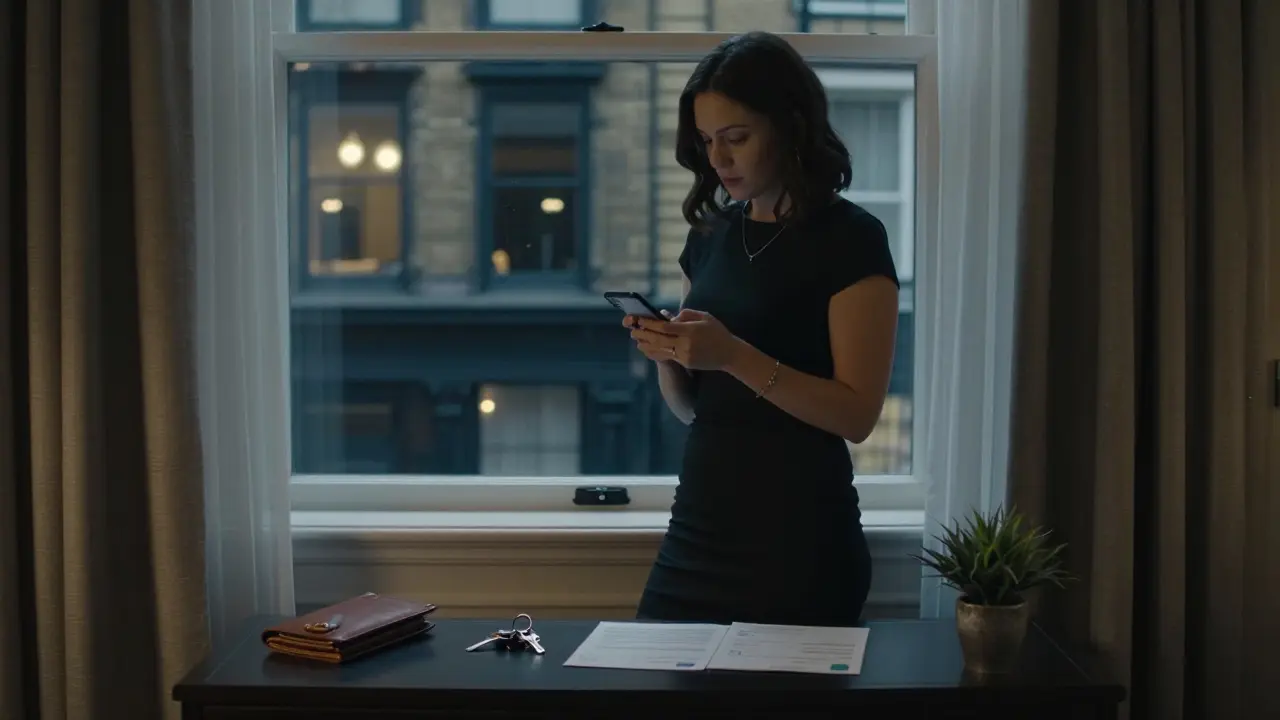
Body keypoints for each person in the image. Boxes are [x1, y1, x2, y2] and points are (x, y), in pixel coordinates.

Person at [624, 31, 900, 627]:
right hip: (696, 531)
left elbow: (857, 416)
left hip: (799, 548)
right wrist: (670, 355)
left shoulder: (851, 238)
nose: (717, 160)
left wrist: (730, 355)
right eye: (705, 142)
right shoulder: (709, 237)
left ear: (790, 126)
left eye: (736, 138)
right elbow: (695, 410)